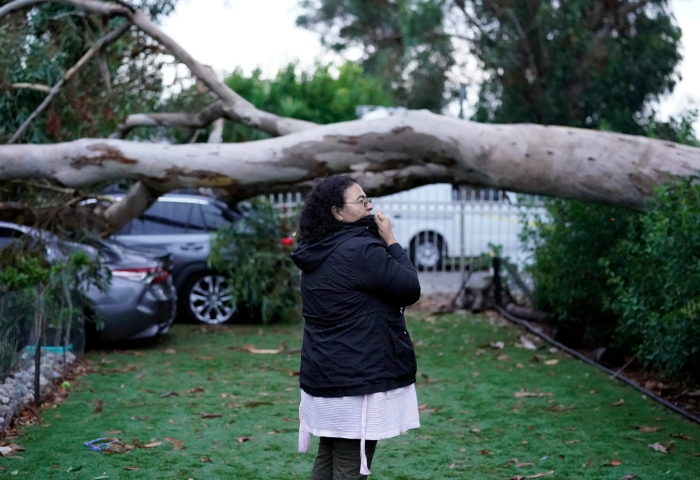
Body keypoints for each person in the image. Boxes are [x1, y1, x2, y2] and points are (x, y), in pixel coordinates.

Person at [290, 174, 422, 479]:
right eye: (361, 201)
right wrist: (391, 239)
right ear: (337, 212)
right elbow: (409, 287)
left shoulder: (317, 249)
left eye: (368, 199)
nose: (370, 206)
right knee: (351, 465)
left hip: (324, 372)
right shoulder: (359, 250)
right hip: (356, 377)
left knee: (330, 454)